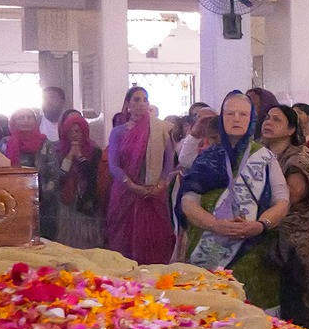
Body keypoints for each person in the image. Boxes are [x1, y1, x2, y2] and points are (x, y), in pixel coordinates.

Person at [177, 92, 290, 311]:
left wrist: (260, 225)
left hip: (254, 254)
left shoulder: (264, 157)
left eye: (243, 114)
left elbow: (282, 201)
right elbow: (188, 201)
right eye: (230, 114)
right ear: (222, 117)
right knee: (210, 315)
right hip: (209, 250)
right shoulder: (208, 157)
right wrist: (214, 224)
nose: (236, 119)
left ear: (252, 118)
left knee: (253, 320)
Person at [259, 104, 309, 326]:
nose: (268, 122)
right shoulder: (257, 154)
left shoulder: (299, 156)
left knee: (293, 304)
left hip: (293, 236)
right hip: (263, 232)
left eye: (276, 119)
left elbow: (293, 194)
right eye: (267, 117)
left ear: (291, 129)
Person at [104, 87, 176, 265]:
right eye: (137, 99)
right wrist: (132, 186)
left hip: (154, 194)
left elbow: (169, 161)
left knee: (155, 242)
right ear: (128, 104)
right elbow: (113, 166)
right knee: (123, 245)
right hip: (125, 194)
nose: (142, 104)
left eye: (145, 99)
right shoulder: (118, 132)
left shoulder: (160, 128)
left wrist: (160, 186)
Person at [52, 112, 108, 249]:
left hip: (88, 202)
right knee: (69, 240)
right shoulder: (58, 151)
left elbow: (92, 175)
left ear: (84, 132)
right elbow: (59, 175)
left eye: (78, 131)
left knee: (89, 239)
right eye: (70, 132)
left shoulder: (95, 152)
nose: (74, 135)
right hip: (67, 202)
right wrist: (70, 156)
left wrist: (80, 156)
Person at [1, 108, 59, 238]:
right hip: (12, 198)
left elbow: (53, 172)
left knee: (44, 237)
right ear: (13, 122)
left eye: (29, 117)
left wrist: (43, 196)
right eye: (21, 118)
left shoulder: (45, 143)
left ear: (35, 121)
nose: (25, 121)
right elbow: (0, 170)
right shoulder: (6, 143)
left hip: (43, 201)